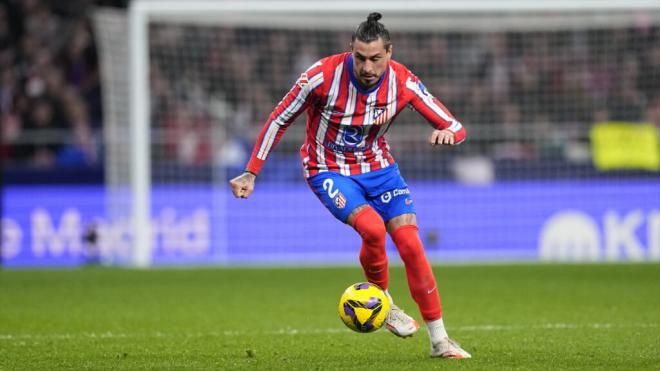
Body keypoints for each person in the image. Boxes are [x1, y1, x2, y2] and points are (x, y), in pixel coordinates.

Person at [229, 13, 471, 359]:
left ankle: (440, 341)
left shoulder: (403, 82)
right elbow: (280, 117)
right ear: (351, 51)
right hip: (327, 168)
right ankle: (383, 305)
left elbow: (456, 125)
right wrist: (251, 171)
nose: (367, 66)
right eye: (360, 57)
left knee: (411, 244)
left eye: (375, 58)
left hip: (379, 167)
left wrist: (449, 133)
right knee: (373, 229)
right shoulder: (321, 77)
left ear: (389, 53)